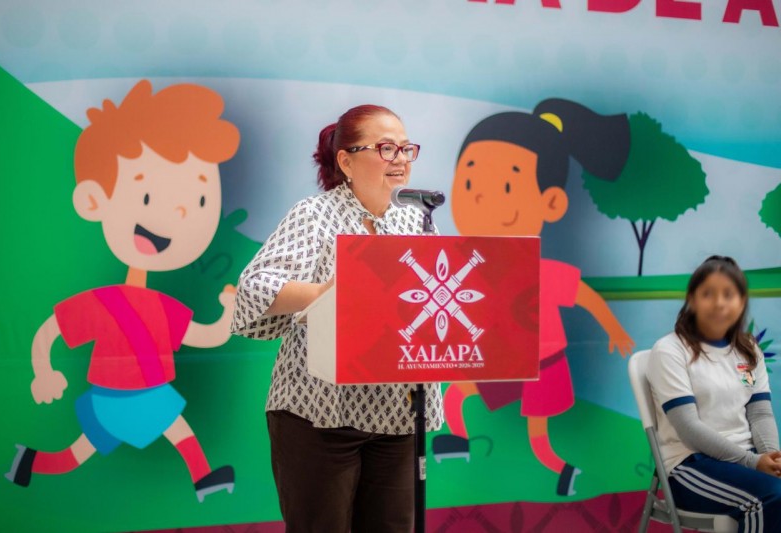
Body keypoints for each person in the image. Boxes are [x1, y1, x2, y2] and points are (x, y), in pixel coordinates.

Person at [5, 80, 240, 501]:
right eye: (148, 196)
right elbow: (52, 329)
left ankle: (28, 462)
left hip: (121, 395)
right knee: (175, 426)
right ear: (94, 201)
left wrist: (227, 310)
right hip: (129, 394)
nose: (176, 215)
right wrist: (43, 370)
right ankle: (203, 477)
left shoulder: (161, 306)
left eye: (199, 202)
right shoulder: (107, 302)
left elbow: (208, 336)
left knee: (77, 453)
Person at [231, 104, 443, 532]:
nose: (400, 159)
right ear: (346, 161)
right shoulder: (314, 215)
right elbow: (254, 289)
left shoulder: (417, 220)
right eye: (385, 148)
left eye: (406, 148)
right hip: (319, 413)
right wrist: (328, 293)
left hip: (399, 410)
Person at [436, 99, 634, 496]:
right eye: (470, 183)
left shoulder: (539, 270)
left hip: (544, 365)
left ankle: (563, 471)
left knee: (538, 438)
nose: (480, 198)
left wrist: (614, 330)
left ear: (552, 203)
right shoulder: (472, 266)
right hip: (505, 361)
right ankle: (457, 441)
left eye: (507, 187)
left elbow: (584, 296)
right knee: (456, 393)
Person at [646, 255, 781, 531]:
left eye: (728, 294)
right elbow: (689, 428)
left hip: (747, 459)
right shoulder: (670, 350)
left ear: (741, 302)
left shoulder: (748, 349)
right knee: (771, 496)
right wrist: (753, 462)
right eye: (708, 294)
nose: (719, 303)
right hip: (691, 465)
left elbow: (760, 414)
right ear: (692, 299)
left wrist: (772, 460)